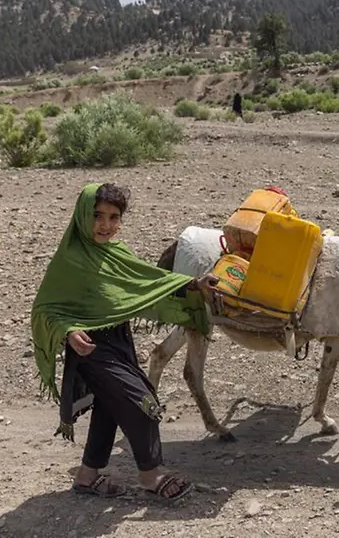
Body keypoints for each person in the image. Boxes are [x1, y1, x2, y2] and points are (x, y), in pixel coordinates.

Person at [30, 182, 219, 501]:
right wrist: (69, 331)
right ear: (82, 215)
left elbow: (149, 282)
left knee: (110, 407)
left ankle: (87, 477)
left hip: (120, 341)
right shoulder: (70, 259)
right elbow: (46, 309)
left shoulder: (119, 254)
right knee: (143, 404)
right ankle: (150, 475)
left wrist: (194, 284)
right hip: (89, 347)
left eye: (113, 217)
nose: (105, 225)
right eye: (97, 216)